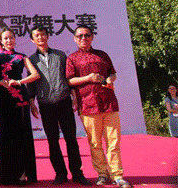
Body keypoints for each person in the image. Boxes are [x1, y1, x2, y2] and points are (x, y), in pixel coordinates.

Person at [67, 25, 131, 188]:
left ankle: (117, 175)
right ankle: (102, 173)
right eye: (80, 36)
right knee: (95, 143)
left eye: (87, 35)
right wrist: (88, 78)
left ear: (92, 37)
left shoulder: (102, 55)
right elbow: (69, 80)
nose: (83, 38)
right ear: (75, 39)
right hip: (87, 104)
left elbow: (112, 73)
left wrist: (110, 79)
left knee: (113, 142)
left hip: (109, 103)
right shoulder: (72, 58)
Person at [27, 26, 90, 186]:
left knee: (71, 139)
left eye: (42, 34)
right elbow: (31, 83)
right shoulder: (31, 60)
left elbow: (68, 77)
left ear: (47, 36)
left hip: (64, 102)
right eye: (36, 36)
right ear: (32, 40)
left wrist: (74, 97)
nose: (40, 38)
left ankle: (77, 173)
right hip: (46, 104)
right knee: (52, 141)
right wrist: (32, 103)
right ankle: (60, 173)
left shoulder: (60, 55)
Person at [0, 27, 40, 186]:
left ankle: (22, 174)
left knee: (21, 133)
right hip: (4, 97)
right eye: (5, 38)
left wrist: (19, 81)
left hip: (20, 98)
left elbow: (35, 75)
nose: (9, 40)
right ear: (0, 41)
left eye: (11, 37)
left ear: (15, 39)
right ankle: (7, 174)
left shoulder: (22, 57)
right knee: (7, 133)